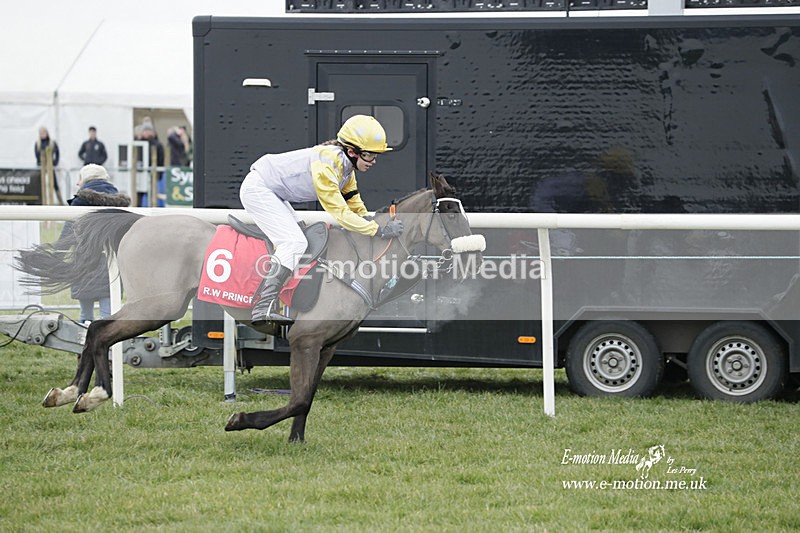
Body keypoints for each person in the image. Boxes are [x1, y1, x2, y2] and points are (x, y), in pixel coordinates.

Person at [240, 114, 403, 325]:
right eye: (370, 155)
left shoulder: (346, 168)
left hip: (274, 192)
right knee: (294, 242)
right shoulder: (328, 166)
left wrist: (376, 223)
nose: (374, 162)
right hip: (259, 189)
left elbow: (355, 205)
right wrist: (377, 231)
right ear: (352, 152)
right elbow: (340, 214)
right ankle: (263, 308)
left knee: (301, 238)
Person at [57, 164, 131, 323]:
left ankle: (85, 344)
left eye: (80, 179)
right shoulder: (119, 203)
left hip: (85, 264)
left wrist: (56, 253)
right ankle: (110, 347)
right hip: (112, 264)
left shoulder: (79, 203)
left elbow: (66, 235)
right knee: (107, 315)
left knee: (85, 316)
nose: (77, 183)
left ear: (85, 180)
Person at [34, 126, 63, 203]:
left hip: (50, 166)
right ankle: (41, 201)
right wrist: (40, 162)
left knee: (54, 184)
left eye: (43, 133)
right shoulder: (38, 143)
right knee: (42, 184)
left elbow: (57, 153)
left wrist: (55, 162)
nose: (42, 134)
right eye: (41, 133)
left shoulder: (51, 143)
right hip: (42, 167)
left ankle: (60, 201)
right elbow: (37, 154)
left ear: (47, 133)